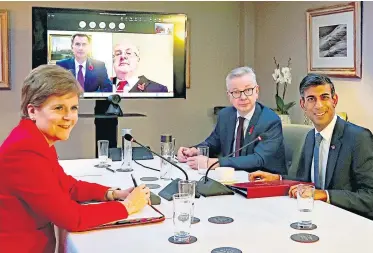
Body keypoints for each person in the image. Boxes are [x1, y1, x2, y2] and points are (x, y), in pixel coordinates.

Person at [0, 65, 151, 252]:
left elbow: (67, 186)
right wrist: (128, 206)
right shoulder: (24, 151)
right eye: (58, 108)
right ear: (32, 111)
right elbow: (72, 218)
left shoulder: (34, 139)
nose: (69, 117)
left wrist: (113, 193)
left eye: (73, 108)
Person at [249, 74, 373, 223]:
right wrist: (278, 179)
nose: (318, 105)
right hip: (317, 218)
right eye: (311, 99)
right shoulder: (310, 137)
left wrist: (325, 195)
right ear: (303, 104)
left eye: (324, 97)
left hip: (354, 223)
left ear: (335, 100)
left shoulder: (359, 138)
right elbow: (304, 182)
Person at [177, 66, 287, 174]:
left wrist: (213, 163)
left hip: (262, 183)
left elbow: (258, 159)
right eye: (236, 92)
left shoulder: (270, 121)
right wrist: (194, 151)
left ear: (257, 91)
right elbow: (213, 143)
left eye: (248, 90)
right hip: (230, 178)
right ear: (229, 96)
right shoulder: (225, 115)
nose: (243, 97)